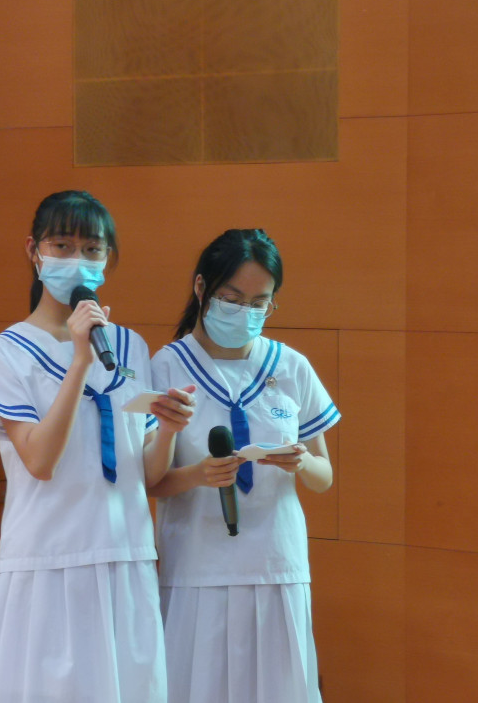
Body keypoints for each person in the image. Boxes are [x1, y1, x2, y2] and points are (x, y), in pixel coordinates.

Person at [0, 190, 195, 703]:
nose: (78, 260)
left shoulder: (131, 345)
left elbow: (147, 474)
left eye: (92, 249)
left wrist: (169, 428)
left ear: (108, 259)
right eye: (63, 245)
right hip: (50, 557)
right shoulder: (4, 352)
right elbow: (39, 460)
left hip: (126, 554)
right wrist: (79, 360)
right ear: (34, 251)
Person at [149, 228, 339, 703]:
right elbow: (151, 481)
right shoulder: (167, 367)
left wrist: (300, 462)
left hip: (276, 565)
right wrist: (198, 475)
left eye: (259, 303)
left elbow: (324, 477)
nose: (245, 312)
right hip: (197, 567)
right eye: (232, 299)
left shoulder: (291, 365)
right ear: (201, 288)